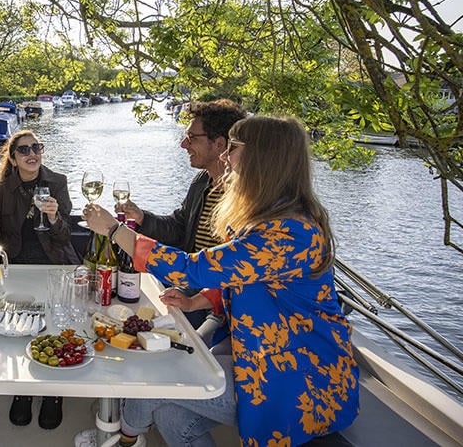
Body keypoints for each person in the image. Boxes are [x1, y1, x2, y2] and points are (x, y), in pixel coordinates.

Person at [82, 116, 357, 447]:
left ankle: (121, 440)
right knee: (172, 417)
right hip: (254, 357)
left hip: (294, 382)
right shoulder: (269, 219)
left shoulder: (289, 233)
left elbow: (191, 270)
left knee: (155, 381)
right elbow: (246, 279)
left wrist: (115, 230)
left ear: (263, 158)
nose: (225, 155)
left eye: (235, 147)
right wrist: (199, 301)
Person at [114, 100, 247, 336]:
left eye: (191, 138)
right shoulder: (201, 182)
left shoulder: (247, 198)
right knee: (127, 312)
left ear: (219, 144)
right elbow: (179, 228)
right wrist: (142, 217)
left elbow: (222, 269)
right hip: (191, 285)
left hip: (223, 301)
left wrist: (114, 231)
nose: (183, 144)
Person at [0, 131, 78, 429]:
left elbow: (65, 237)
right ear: (13, 158)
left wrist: (54, 218)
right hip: (16, 265)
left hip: (54, 263)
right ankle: (23, 388)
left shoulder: (58, 182)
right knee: (19, 326)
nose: (32, 153)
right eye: (24, 149)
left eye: (36, 147)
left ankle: (53, 393)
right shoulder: (0, 189)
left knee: (54, 324)